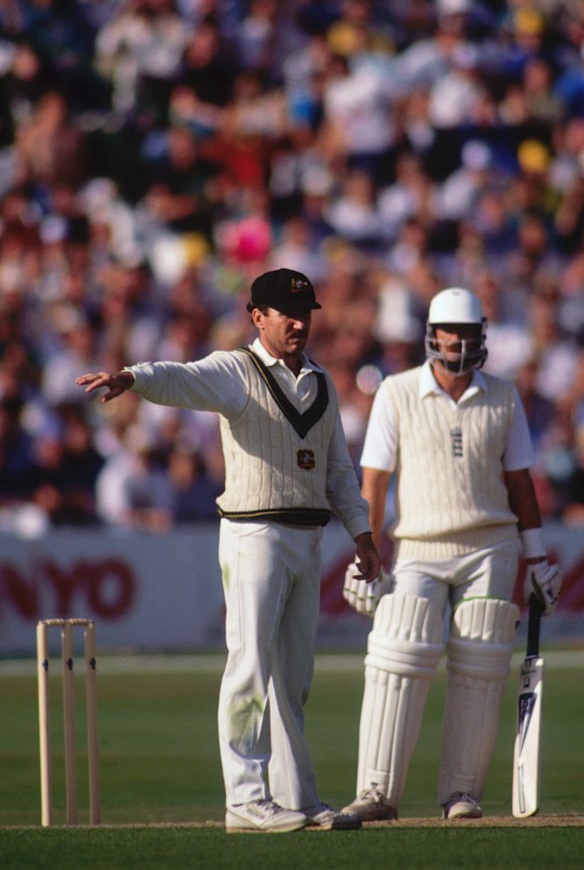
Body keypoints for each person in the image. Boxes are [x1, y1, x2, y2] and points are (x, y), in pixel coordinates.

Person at [77, 268, 381, 833]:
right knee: (249, 667)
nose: (298, 321)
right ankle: (244, 798)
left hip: (308, 536)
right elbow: (180, 377)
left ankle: (298, 796)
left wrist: (361, 533)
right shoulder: (236, 370)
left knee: (293, 678)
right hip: (254, 534)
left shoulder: (321, 381)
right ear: (256, 316)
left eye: (305, 311)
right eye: (285, 312)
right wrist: (131, 377)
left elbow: (339, 468)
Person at [342, 286, 562, 821]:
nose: (460, 343)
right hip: (417, 544)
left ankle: (462, 792)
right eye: (451, 332)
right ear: (432, 335)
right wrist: (364, 551)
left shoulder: (504, 396)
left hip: (491, 546)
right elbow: (374, 481)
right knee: (397, 650)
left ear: (481, 335)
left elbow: (520, 483)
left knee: (481, 662)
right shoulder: (395, 393)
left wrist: (536, 559)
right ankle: (377, 793)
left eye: (468, 333)